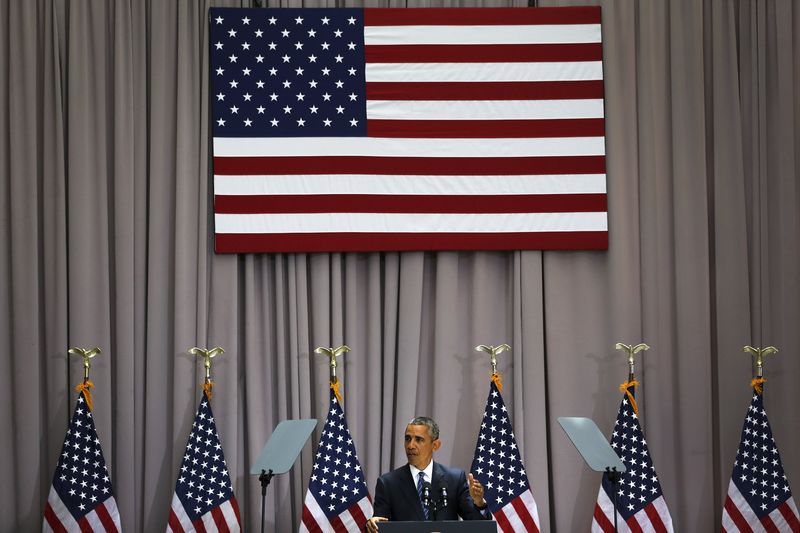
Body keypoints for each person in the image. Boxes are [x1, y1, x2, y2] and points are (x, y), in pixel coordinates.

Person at [366, 416, 490, 532]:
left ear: (435, 445)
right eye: (407, 439)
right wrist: (373, 523)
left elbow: (478, 526)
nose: (410, 445)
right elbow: (379, 523)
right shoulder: (388, 483)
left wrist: (479, 503)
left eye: (418, 440)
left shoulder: (454, 479)